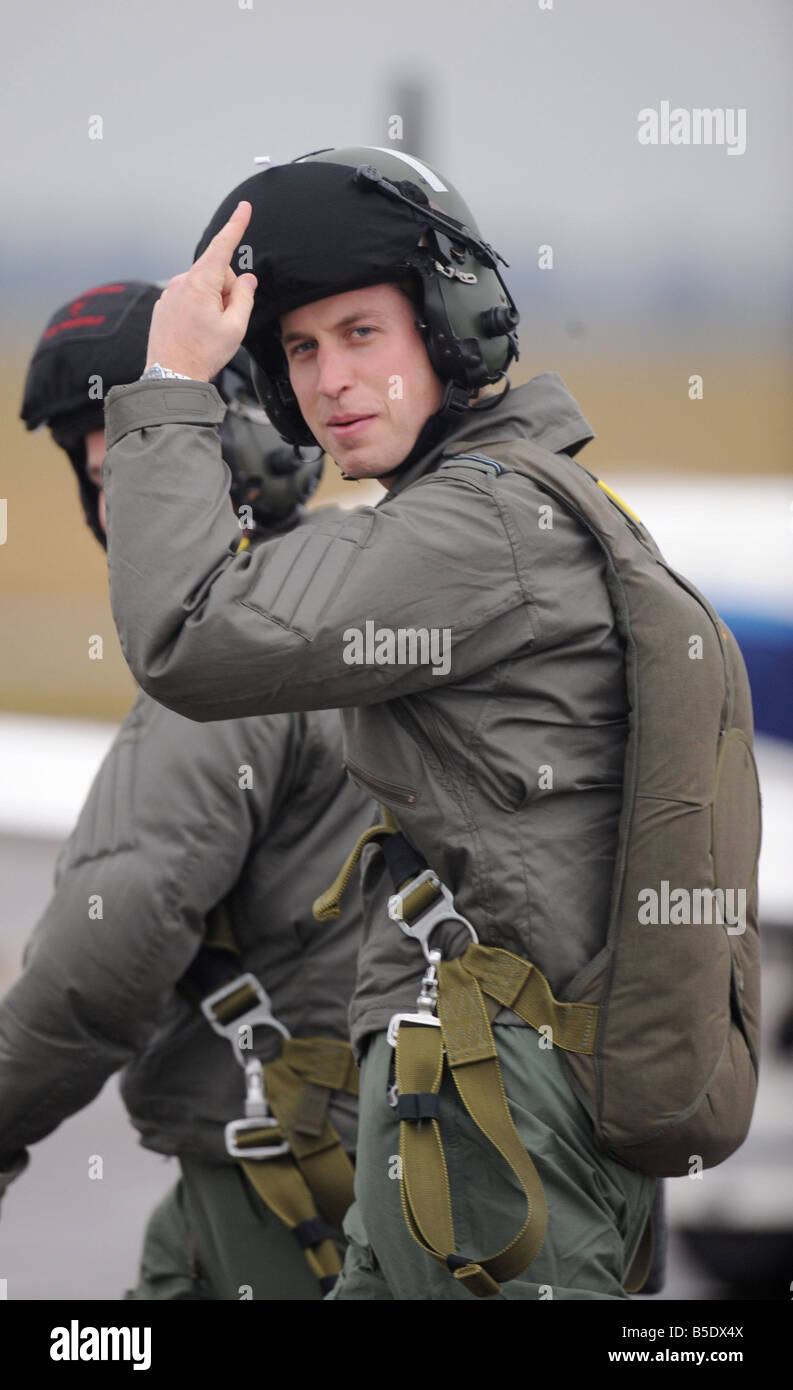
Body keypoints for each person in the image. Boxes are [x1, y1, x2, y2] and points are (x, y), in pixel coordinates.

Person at [101, 149, 664, 1300]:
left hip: (497, 1133)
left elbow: (187, 636)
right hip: (455, 1106)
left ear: (454, 328)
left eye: (361, 333)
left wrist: (170, 381)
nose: (329, 380)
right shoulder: (508, 502)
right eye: (301, 348)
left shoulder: (480, 527)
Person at [1, 279, 374, 1300]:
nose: (112, 507)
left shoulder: (230, 663)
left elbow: (102, 955)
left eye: (128, 463)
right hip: (379, 1164)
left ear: (239, 453)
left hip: (296, 1186)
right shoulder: (359, 589)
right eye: (98, 478)